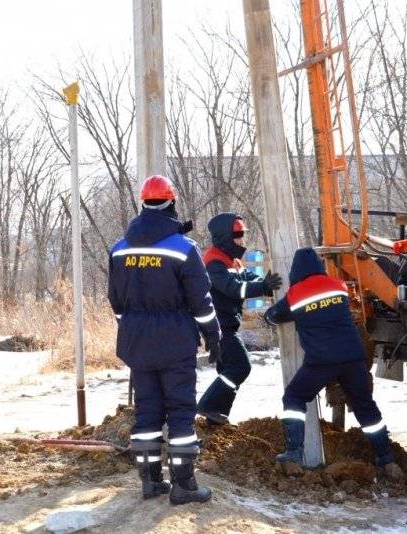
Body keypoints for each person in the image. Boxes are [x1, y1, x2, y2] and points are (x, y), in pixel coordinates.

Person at [108, 175, 221, 505]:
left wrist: (130, 328)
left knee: (147, 413)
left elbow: (116, 300)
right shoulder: (184, 249)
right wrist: (213, 335)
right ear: (172, 203)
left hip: (136, 344)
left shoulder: (119, 249)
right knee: (181, 412)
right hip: (175, 343)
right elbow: (201, 301)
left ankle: (150, 481)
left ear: (142, 203)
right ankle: (183, 485)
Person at [264, 247, 403, 479]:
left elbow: (274, 316)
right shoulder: (338, 286)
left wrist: (266, 314)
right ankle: (387, 460)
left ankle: (294, 453)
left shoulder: (296, 294)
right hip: (353, 357)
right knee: (365, 406)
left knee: (294, 397)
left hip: (321, 361)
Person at [196, 213, 282, 425]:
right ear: (225, 236)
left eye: (242, 234)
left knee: (227, 370)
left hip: (226, 324)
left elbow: (249, 278)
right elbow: (233, 288)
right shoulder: (213, 263)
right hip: (218, 326)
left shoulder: (231, 260)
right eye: (238, 235)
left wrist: (266, 282)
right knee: (241, 366)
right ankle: (208, 405)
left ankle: (216, 418)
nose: (242, 240)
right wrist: (263, 287)